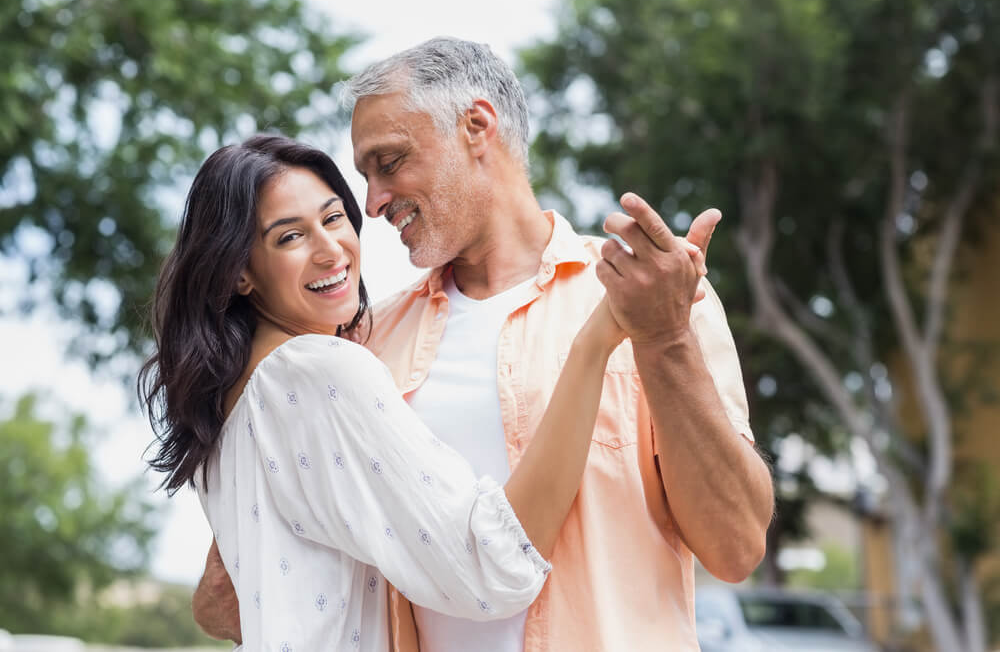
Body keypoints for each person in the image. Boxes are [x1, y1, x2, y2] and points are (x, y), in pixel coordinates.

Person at [194, 38, 774, 651]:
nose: (373, 203)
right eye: (364, 177)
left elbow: (735, 549)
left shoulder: (657, 300)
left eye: (388, 162)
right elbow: (233, 590)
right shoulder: (363, 344)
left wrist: (666, 338)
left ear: (477, 127)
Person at [140, 134, 702, 650]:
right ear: (240, 273)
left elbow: (222, 606)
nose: (331, 250)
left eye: (334, 217)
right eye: (289, 236)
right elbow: (490, 566)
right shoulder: (322, 372)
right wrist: (596, 341)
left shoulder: (232, 401)